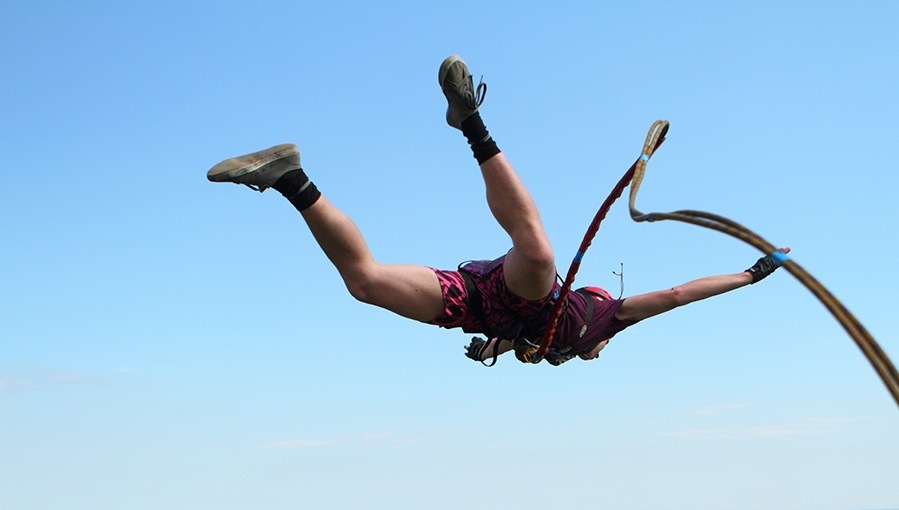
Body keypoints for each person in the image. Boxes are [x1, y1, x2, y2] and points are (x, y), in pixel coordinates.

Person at [208, 55, 789, 365]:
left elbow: (508, 343)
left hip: (475, 306)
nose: (593, 354)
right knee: (537, 250)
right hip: (520, 289)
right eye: (596, 353)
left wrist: (495, 348)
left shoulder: (539, 348)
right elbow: (676, 295)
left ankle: (289, 176)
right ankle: (471, 121)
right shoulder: (606, 317)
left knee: (365, 283)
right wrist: (748, 275)